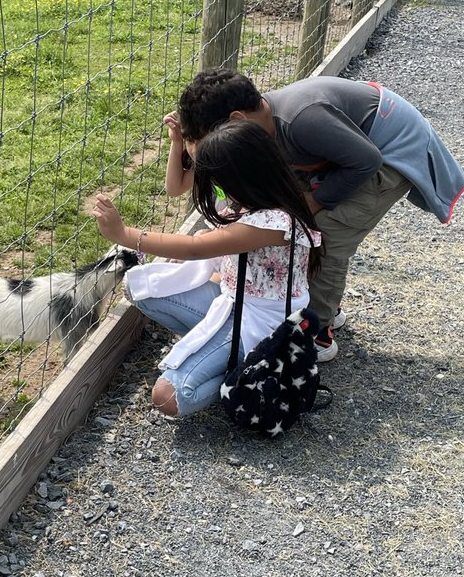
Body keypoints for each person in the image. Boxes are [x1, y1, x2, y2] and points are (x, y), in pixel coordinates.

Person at [172, 68, 464, 362]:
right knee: (289, 219)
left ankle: (318, 331)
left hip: (388, 156)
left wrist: (312, 200)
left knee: (322, 233)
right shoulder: (265, 125)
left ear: (236, 120)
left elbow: (367, 161)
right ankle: (315, 302)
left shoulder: (301, 120)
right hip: (347, 152)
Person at [94, 119, 322, 419]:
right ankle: (213, 353)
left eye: (219, 179)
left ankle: (240, 373)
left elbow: (195, 247)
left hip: (260, 326)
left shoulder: (274, 222)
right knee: (145, 287)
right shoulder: (249, 201)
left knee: (167, 397)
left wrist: (124, 235)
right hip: (232, 303)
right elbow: (203, 240)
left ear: (242, 176)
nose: (216, 187)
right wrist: (178, 142)